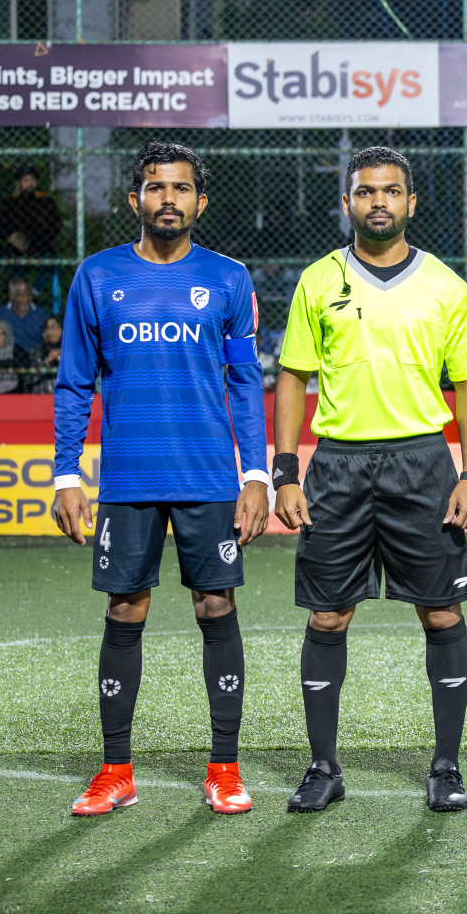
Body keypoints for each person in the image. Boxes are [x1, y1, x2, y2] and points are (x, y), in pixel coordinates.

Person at [52, 141, 270, 817]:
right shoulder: (96, 276)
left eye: (180, 189)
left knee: (216, 608)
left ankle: (225, 768)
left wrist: (257, 472)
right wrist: (66, 472)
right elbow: (73, 384)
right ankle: (116, 769)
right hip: (127, 479)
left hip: (208, 476)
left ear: (200, 202)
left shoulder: (229, 279)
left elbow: (245, 383)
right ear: (135, 200)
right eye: (155, 188)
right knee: (125, 610)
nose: (167, 199)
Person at [273, 146, 467, 815]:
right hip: (337, 464)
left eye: (391, 192)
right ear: (347, 202)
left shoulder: (446, 286)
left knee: (441, 611)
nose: (378, 203)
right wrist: (285, 472)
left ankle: (446, 766)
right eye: (365, 192)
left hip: (423, 464)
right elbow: (292, 379)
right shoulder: (318, 280)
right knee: (329, 614)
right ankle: (323, 767)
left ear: (411, 203)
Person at [0, 164, 62, 294]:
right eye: (26, 180)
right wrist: (12, 237)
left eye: (32, 180)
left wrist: (41, 238)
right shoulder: (10, 202)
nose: (30, 183)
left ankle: (34, 292)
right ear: (19, 183)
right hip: (17, 245)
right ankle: (19, 292)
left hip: (40, 243)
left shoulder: (45, 201)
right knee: (14, 261)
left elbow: (55, 224)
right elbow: (0, 225)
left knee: (50, 259)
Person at [0, 276, 47, 353]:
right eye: (21, 296)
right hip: (6, 359)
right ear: (11, 296)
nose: (26, 299)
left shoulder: (43, 314)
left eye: (28, 295)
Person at [29, 313, 64, 393]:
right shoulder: (37, 350)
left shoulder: (72, 351)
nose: (50, 331)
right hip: (42, 397)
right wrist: (46, 362)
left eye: (54, 326)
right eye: (47, 327)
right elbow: (29, 379)